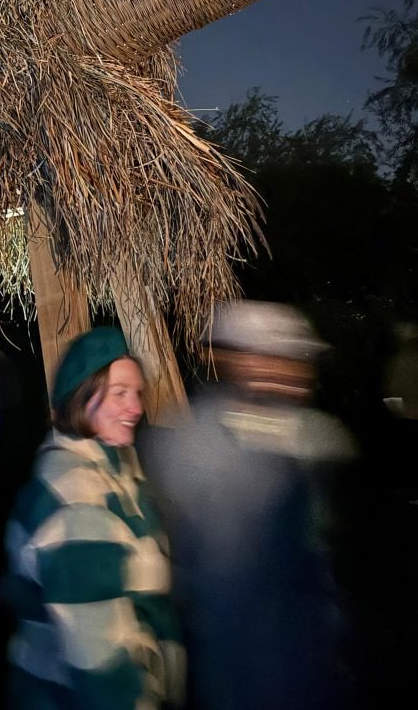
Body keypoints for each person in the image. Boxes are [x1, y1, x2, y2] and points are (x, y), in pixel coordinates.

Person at [144, 301, 352, 710]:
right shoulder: (190, 447)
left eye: (294, 359)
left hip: (302, 660)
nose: (288, 371)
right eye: (271, 357)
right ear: (235, 361)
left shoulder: (315, 441)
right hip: (232, 661)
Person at [4, 325, 184, 710]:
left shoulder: (119, 469)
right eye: (119, 393)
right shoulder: (76, 496)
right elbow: (98, 659)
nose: (136, 408)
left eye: (137, 393)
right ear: (81, 395)